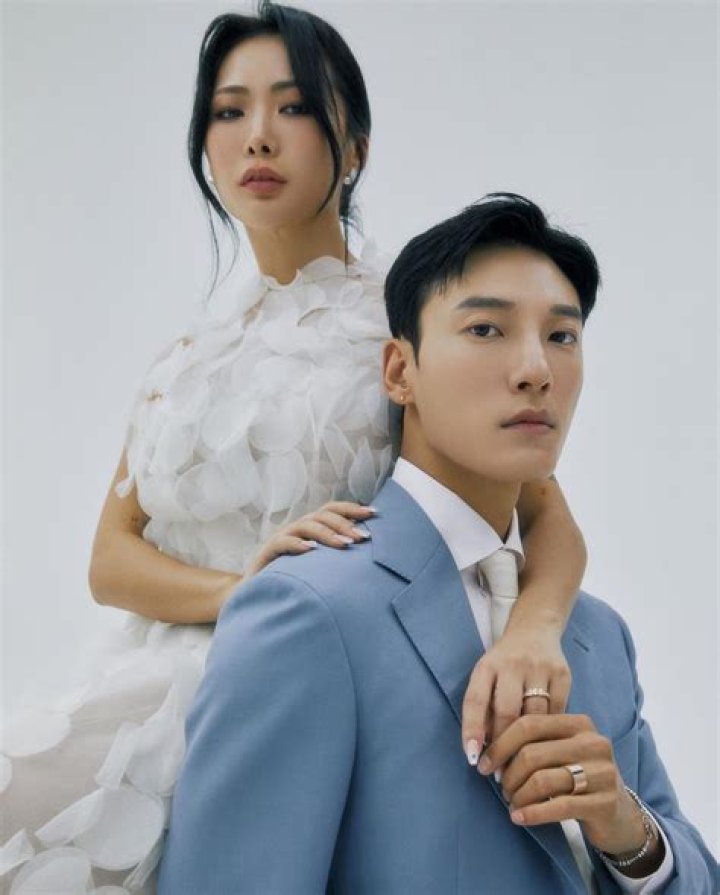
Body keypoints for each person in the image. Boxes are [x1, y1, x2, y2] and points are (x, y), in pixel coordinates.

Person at [0, 6, 587, 893]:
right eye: (229, 111)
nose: (259, 136)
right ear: (205, 149)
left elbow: (540, 510)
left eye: (294, 106)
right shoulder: (187, 355)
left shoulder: (406, 326)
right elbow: (109, 560)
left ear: (355, 148)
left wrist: (535, 633)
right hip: (156, 682)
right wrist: (245, 590)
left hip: (322, 686)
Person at [159, 194, 716, 894]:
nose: (536, 369)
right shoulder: (309, 611)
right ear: (400, 372)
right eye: (486, 329)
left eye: (562, 336)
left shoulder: (599, 636)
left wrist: (630, 833)